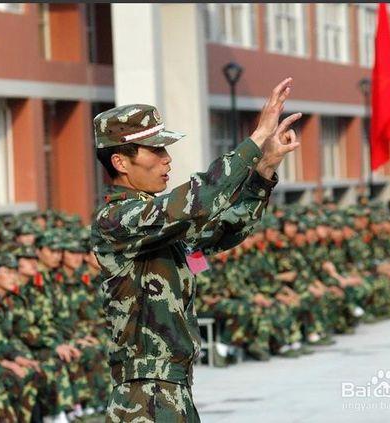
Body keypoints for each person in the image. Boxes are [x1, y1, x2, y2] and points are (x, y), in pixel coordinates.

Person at [91, 77, 302, 421]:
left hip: (171, 389)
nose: (167, 160)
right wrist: (257, 137)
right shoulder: (118, 220)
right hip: (145, 396)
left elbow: (225, 230)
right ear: (121, 162)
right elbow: (198, 199)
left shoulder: (159, 226)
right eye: (156, 151)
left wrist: (264, 170)